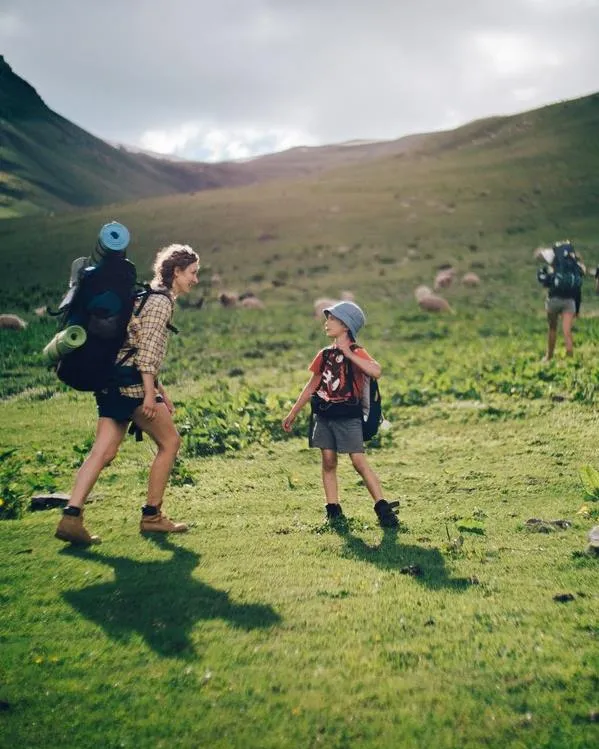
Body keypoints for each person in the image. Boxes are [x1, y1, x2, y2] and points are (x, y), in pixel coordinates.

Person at [55, 243, 199, 546]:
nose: (195, 280)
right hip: (132, 386)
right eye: (192, 273)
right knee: (170, 442)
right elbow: (146, 354)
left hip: (110, 380)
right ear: (176, 272)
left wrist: (161, 392)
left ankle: (71, 517)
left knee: (103, 452)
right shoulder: (161, 303)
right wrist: (149, 396)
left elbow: (131, 344)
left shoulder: (144, 296)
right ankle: (152, 516)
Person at [282, 301, 398, 527]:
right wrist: (293, 413)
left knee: (358, 461)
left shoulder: (356, 351)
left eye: (332, 319)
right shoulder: (324, 355)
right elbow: (312, 384)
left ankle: (383, 508)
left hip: (348, 415)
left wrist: (349, 354)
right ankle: (333, 511)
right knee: (328, 460)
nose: (326, 323)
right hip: (325, 415)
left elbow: (376, 370)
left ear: (346, 325)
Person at [537, 243, 585, 361]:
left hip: (554, 299)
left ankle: (549, 356)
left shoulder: (555, 261)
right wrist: (577, 310)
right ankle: (570, 358)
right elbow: (577, 290)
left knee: (552, 328)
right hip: (570, 302)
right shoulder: (577, 267)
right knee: (567, 330)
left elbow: (538, 256)